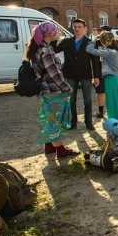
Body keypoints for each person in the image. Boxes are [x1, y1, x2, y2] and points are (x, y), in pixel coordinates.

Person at [26, 22, 79, 157]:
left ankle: (49, 146)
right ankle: (61, 150)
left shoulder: (38, 47)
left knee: (47, 118)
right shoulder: (46, 50)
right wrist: (67, 87)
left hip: (44, 91)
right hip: (53, 91)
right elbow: (54, 73)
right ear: (49, 33)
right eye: (56, 30)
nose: (58, 32)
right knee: (54, 120)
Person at [52, 18, 99, 131]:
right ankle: (73, 122)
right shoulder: (66, 42)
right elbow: (54, 49)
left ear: (84, 28)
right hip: (70, 74)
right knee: (71, 99)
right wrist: (55, 37)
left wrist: (96, 76)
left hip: (85, 74)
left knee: (87, 99)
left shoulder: (90, 43)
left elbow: (95, 60)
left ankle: (88, 122)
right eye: (75, 27)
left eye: (79, 27)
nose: (77, 29)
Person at [86, 32, 118, 123]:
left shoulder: (109, 52)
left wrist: (93, 40)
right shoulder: (117, 50)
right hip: (117, 78)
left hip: (111, 79)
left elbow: (89, 49)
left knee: (112, 103)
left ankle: (115, 123)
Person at [94, 25, 111, 118]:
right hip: (100, 70)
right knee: (100, 91)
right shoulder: (96, 43)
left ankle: (111, 110)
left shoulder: (113, 43)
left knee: (110, 91)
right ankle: (101, 111)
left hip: (110, 71)